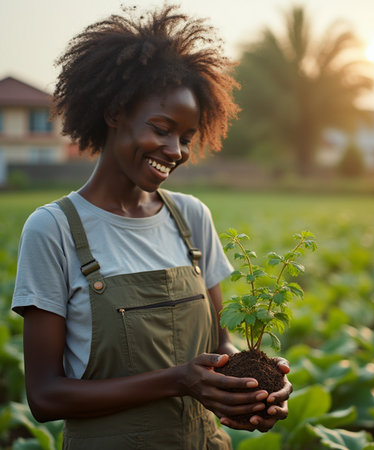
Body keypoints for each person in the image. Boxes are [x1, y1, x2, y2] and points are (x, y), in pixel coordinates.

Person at [12, 5, 292, 449]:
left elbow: (220, 339)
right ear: (115, 112)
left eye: (186, 137)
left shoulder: (191, 217)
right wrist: (178, 381)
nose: (175, 150)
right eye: (162, 129)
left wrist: (253, 384)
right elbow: (45, 396)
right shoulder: (54, 230)